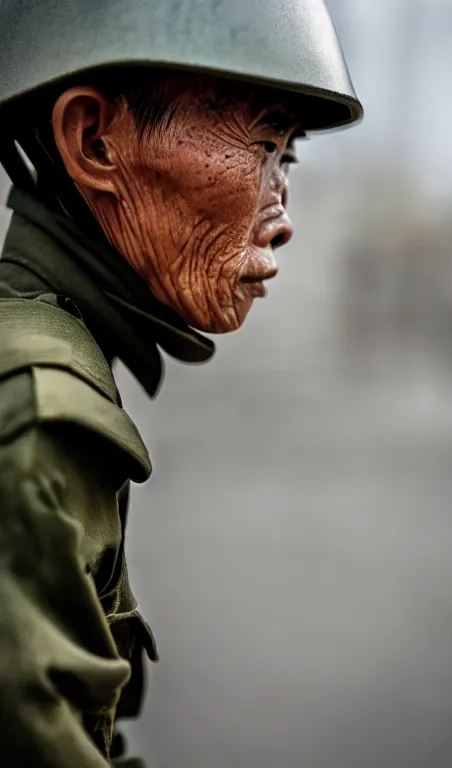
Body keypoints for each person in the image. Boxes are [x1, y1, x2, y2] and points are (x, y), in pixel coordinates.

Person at [0, 0, 363, 764]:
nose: (284, 213)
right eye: (262, 141)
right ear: (94, 141)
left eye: (286, 158)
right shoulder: (37, 411)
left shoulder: (47, 349)